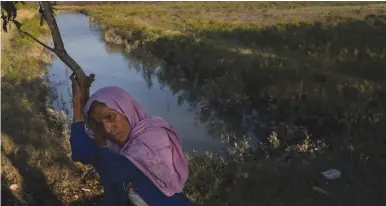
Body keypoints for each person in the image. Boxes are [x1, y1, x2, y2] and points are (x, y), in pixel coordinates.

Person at [69, 74, 195, 206]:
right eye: (99, 124)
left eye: (110, 117)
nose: (107, 129)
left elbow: (113, 173)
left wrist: (101, 145)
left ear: (125, 110)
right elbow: (80, 152)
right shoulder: (111, 142)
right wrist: (77, 105)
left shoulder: (154, 138)